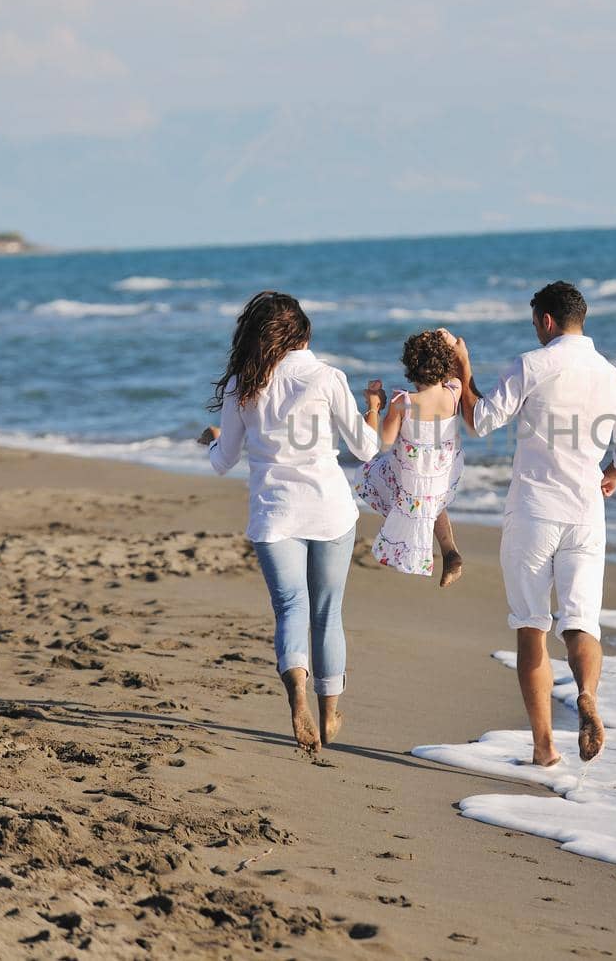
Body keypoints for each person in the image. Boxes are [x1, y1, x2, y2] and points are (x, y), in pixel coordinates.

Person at [445, 281, 616, 766]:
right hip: (585, 513)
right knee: (581, 623)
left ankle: (543, 747)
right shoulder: (611, 375)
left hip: (534, 511)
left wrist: (463, 370)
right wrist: (614, 471)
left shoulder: (531, 365)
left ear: (547, 321)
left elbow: (481, 420)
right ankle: (588, 697)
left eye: (535, 320)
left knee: (532, 626)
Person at [197, 290, 383, 754]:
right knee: (327, 612)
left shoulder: (246, 383)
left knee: (291, 609)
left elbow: (224, 460)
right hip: (329, 508)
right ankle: (328, 714)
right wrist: (375, 409)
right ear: (303, 334)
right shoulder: (327, 376)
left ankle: (296, 697)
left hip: (274, 512)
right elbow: (365, 447)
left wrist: (211, 440)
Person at [355, 330, 467, 588]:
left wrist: (374, 406)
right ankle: (450, 552)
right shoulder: (454, 392)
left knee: (367, 473)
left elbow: (382, 443)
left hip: (411, 481)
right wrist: (450, 343)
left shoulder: (402, 401)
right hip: (442, 475)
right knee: (431, 500)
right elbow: (456, 371)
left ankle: (405, 518)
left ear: (410, 367)